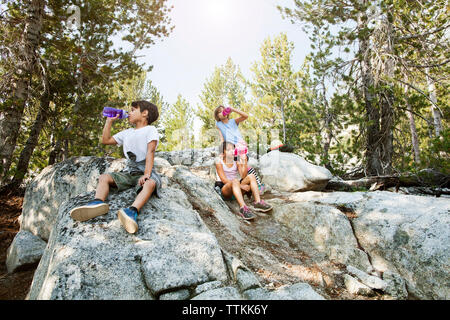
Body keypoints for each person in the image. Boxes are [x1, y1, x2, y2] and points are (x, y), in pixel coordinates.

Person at [69, 100, 162, 234]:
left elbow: (150, 152)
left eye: (133, 110)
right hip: (130, 172)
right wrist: (109, 121)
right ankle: (98, 203)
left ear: (145, 113)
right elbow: (105, 140)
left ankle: (132, 211)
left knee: (150, 184)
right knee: (104, 177)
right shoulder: (127, 132)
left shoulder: (150, 130)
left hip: (144, 170)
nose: (129, 113)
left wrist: (147, 174)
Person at [214, 105, 265, 194]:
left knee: (244, 166)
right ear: (217, 115)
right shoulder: (218, 124)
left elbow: (245, 116)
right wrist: (221, 150)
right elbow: (222, 137)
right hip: (231, 149)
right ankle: (236, 186)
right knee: (237, 166)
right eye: (220, 112)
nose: (223, 112)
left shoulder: (233, 121)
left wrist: (233, 109)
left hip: (240, 146)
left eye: (224, 110)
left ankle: (257, 184)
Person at [215, 141, 272, 221]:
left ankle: (258, 202)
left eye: (233, 149)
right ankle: (243, 208)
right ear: (223, 153)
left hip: (236, 189)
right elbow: (224, 180)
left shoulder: (236, 159)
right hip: (225, 190)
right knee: (235, 181)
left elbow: (243, 176)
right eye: (228, 150)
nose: (231, 151)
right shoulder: (219, 162)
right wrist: (241, 185)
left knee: (251, 176)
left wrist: (244, 160)